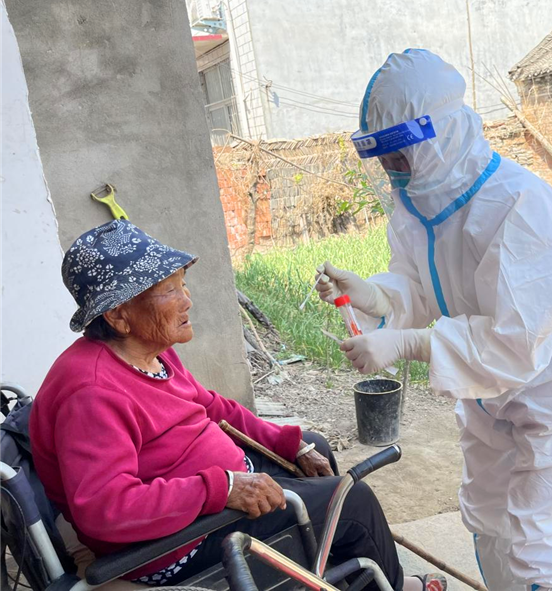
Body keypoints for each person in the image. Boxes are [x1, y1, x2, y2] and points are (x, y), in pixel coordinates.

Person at [316, 49, 552, 591]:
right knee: (489, 517)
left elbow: (518, 338)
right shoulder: (419, 205)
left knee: (545, 544)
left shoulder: (516, 202)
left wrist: (406, 343)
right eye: (381, 156)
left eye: (398, 153)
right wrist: (373, 295)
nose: (390, 169)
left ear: (437, 138)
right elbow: (420, 285)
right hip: (490, 382)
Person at [31, 219, 446, 591]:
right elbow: (106, 509)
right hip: (177, 544)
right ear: (119, 316)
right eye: (169, 290)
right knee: (351, 502)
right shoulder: (91, 392)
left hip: (209, 492)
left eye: (183, 283)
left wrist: (289, 443)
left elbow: (213, 408)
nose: (187, 299)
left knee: (314, 446)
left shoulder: (150, 350)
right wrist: (223, 488)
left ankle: (337, 571)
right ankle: (390, 585)